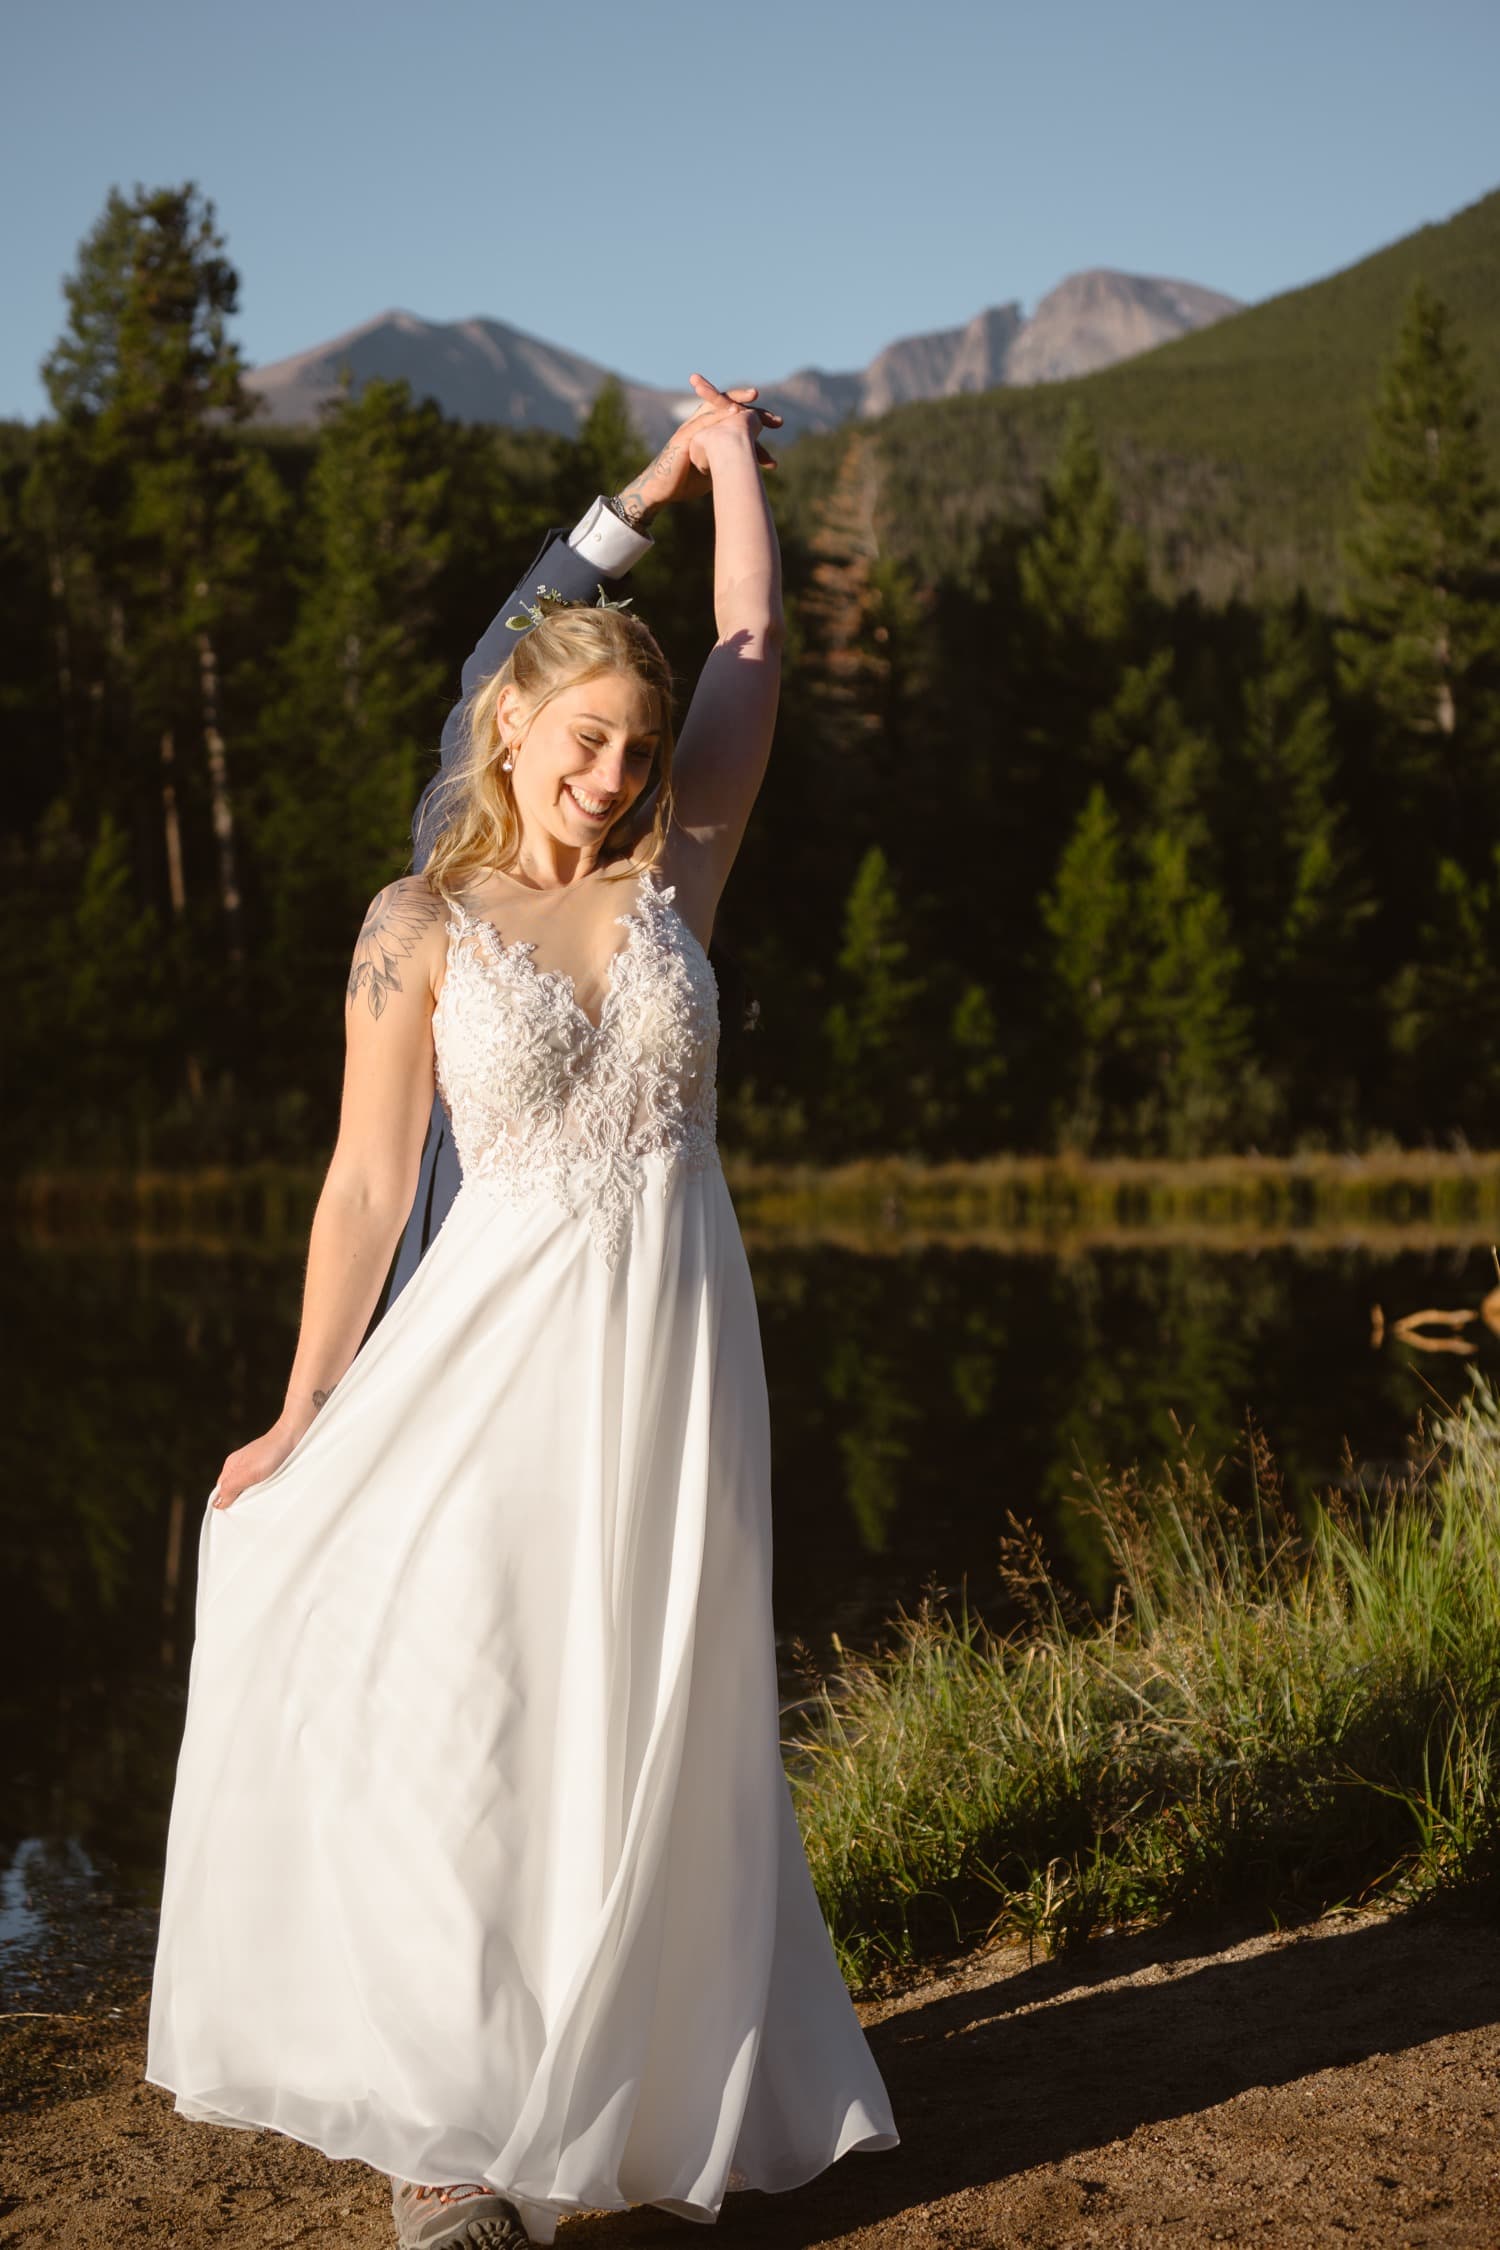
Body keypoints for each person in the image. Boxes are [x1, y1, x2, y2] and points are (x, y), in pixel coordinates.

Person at [144, 372, 901, 2249]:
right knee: (464, 1706)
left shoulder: (678, 882)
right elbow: (364, 1189)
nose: (613, 771)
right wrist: (304, 1410)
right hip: (481, 1361)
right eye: (584, 737)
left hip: (668, 1359)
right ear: (514, 721)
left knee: (640, 1708)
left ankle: (619, 2085)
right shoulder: (418, 920)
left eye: (638, 745)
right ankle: (449, 2142)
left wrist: (724, 461)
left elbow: (743, 643)